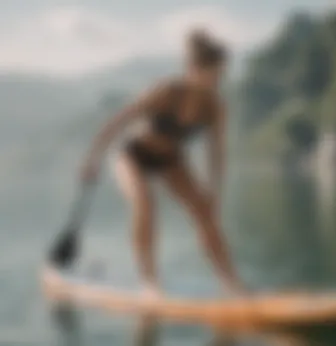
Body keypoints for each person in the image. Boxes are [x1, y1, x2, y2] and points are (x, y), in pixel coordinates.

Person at [80, 29, 245, 298]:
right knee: (145, 203)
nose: (218, 79)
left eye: (221, 73)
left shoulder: (215, 106)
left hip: (170, 160)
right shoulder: (166, 91)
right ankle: (149, 282)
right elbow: (118, 121)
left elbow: (217, 154)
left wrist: (215, 192)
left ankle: (232, 284)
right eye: (214, 73)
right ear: (193, 69)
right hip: (133, 154)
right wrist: (92, 160)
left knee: (205, 212)